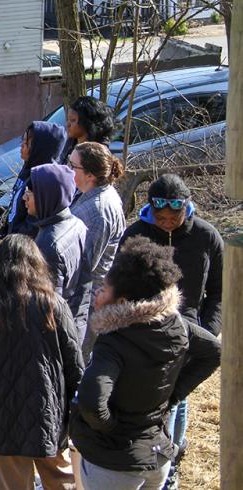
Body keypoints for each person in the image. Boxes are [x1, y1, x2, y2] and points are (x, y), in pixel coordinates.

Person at [70, 236, 221, 490]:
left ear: (122, 301)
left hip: (115, 467)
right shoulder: (177, 324)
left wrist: (110, 427)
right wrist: (173, 395)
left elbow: (90, 401)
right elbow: (213, 351)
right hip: (157, 457)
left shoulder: (114, 342)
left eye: (103, 289)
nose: (97, 293)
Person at [0, 234, 84, 490]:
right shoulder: (55, 305)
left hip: (0, 417)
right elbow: (74, 365)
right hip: (48, 415)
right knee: (63, 481)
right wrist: (79, 413)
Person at [118, 174, 223, 489]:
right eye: (160, 217)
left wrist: (208, 330)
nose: (166, 223)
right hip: (143, 331)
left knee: (176, 398)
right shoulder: (135, 234)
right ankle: (151, 457)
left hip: (189, 332)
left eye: (173, 217)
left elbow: (218, 291)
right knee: (152, 399)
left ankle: (171, 461)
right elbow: (119, 282)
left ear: (187, 207)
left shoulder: (207, 236)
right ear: (151, 210)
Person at [68, 142, 126, 354]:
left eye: (73, 166)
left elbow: (84, 265)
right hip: (83, 300)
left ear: (90, 175)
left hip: (87, 304)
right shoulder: (94, 196)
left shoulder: (97, 211)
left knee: (77, 364)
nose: (68, 170)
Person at [23, 163, 89, 336]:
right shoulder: (77, 224)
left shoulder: (48, 245)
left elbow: (47, 309)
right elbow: (85, 283)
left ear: (46, 196)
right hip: (75, 320)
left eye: (29, 193)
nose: (24, 198)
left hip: (55, 335)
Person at [1, 121, 67, 238]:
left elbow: (32, 226)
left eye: (28, 143)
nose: (22, 145)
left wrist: (15, 239)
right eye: (23, 140)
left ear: (40, 149)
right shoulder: (28, 168)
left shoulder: (43, 182)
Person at [59, 96, 116, 165]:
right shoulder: (68, 145)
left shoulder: (98, 153)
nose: (68, 124)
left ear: (86, 122)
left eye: (73, 120)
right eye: (68, 119)